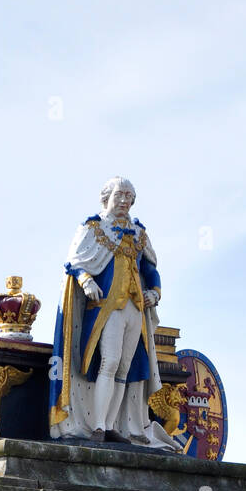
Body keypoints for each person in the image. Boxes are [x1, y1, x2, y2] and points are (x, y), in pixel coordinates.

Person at [49, 176, 177, 449]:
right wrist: (85, 280)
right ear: (106, 197)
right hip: (109, 307)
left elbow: (150, 269)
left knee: (124, 368)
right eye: (120, 195)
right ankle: (97, 426)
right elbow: (76, 262)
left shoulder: (139, 232)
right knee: (109, 362)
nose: (125, 201)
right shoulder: (93, 228)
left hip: (135, 309)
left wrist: (154, 291)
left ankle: (111, 425)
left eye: (129, 196)